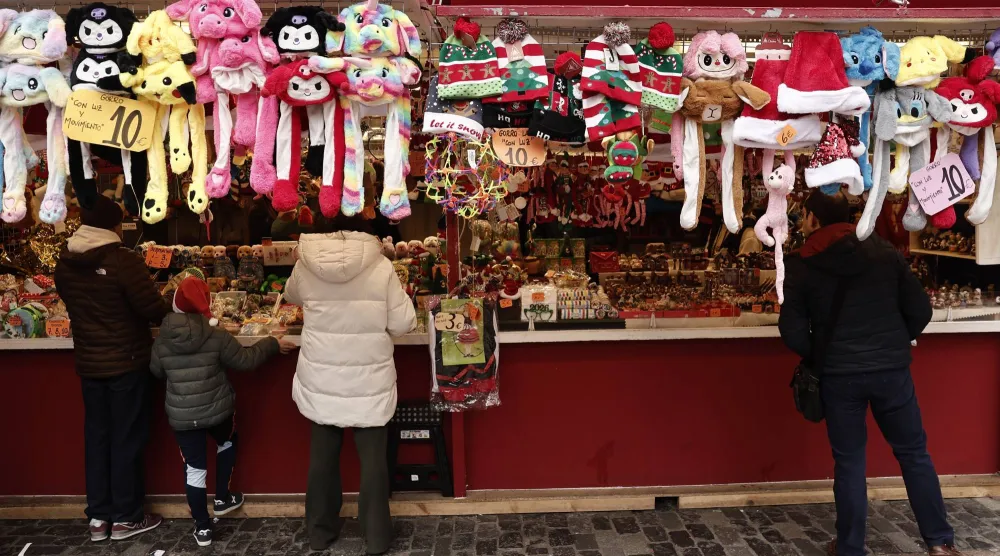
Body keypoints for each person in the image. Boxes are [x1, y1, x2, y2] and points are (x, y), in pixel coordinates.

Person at [779, 191, 958, 556]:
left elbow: (793, 332)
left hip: (840, 376)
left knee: (849, 462)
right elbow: (920, 311)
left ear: (813, 218)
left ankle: (850, 548)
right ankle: (940, 544)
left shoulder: (802, 264)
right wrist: (893, 341)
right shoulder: (884, 253)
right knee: (913, 454)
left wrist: (824, 354)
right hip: (891, 372)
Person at [284, 215, 416, 555]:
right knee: (373, 461)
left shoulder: (305, 265)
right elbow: (403, 323)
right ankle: (376, 536)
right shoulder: (381, 267)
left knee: (322, 458)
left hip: (321, 377)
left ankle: (319, 531)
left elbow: (291, 296)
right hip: (369, 377)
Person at [150, 276, 297, 547]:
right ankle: (222, 498)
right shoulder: (216, 335)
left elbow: (157, 371)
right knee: (227, 439)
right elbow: (245, 361)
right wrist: (272, 343)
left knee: (194, 470)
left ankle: (202, 529)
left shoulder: (161, 339)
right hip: (218, 411)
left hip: (183, 417)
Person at [54, 195, 169, 542]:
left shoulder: (65, 262)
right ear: (113, 226)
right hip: (126, 363)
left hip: (89, 365)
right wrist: (171, 300)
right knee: (126, 439)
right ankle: (126, 518)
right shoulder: (122, 260)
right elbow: (152, 308)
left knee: (98, 439)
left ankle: (98, 519)